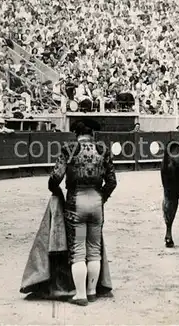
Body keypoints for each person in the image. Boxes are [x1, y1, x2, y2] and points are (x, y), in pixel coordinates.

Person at [48, 120, 117, 306]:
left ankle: (80, 295)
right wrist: (102, 198)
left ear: (76, 134)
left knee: (79, 248)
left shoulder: (70, 149)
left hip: (77, 206)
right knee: (94, 248)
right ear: (92, 134)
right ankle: (92, 291)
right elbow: (112, 182)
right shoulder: (103, 150)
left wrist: (56, 191)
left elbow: (56, 177)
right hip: (96, 205)